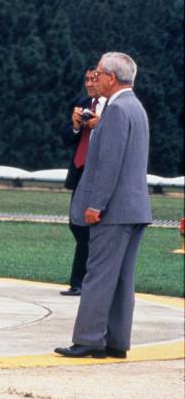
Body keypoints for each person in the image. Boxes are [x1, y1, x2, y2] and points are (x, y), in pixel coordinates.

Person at [56, 52, 152, 359]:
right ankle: (116, 340)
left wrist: (96, 204)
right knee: (123, 279)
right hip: (134, 208)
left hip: (113, 211)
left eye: (98, 74)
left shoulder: (117, 111)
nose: (94, 78)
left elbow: (109, 165)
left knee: (97, 274)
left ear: (112, 77)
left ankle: (89, 338)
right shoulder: (135, 107)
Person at [59, 66, 105, 296]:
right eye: (86, 79)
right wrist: (77, 125)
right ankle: (83, 278)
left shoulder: (113, 108)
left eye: (94, 79)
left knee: (87, 228)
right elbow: (67, 137)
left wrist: (100, 126)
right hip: (80, 169)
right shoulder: (83, 103)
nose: (89, 84)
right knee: (76, 223)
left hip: (99, 170)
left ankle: (79, 281)